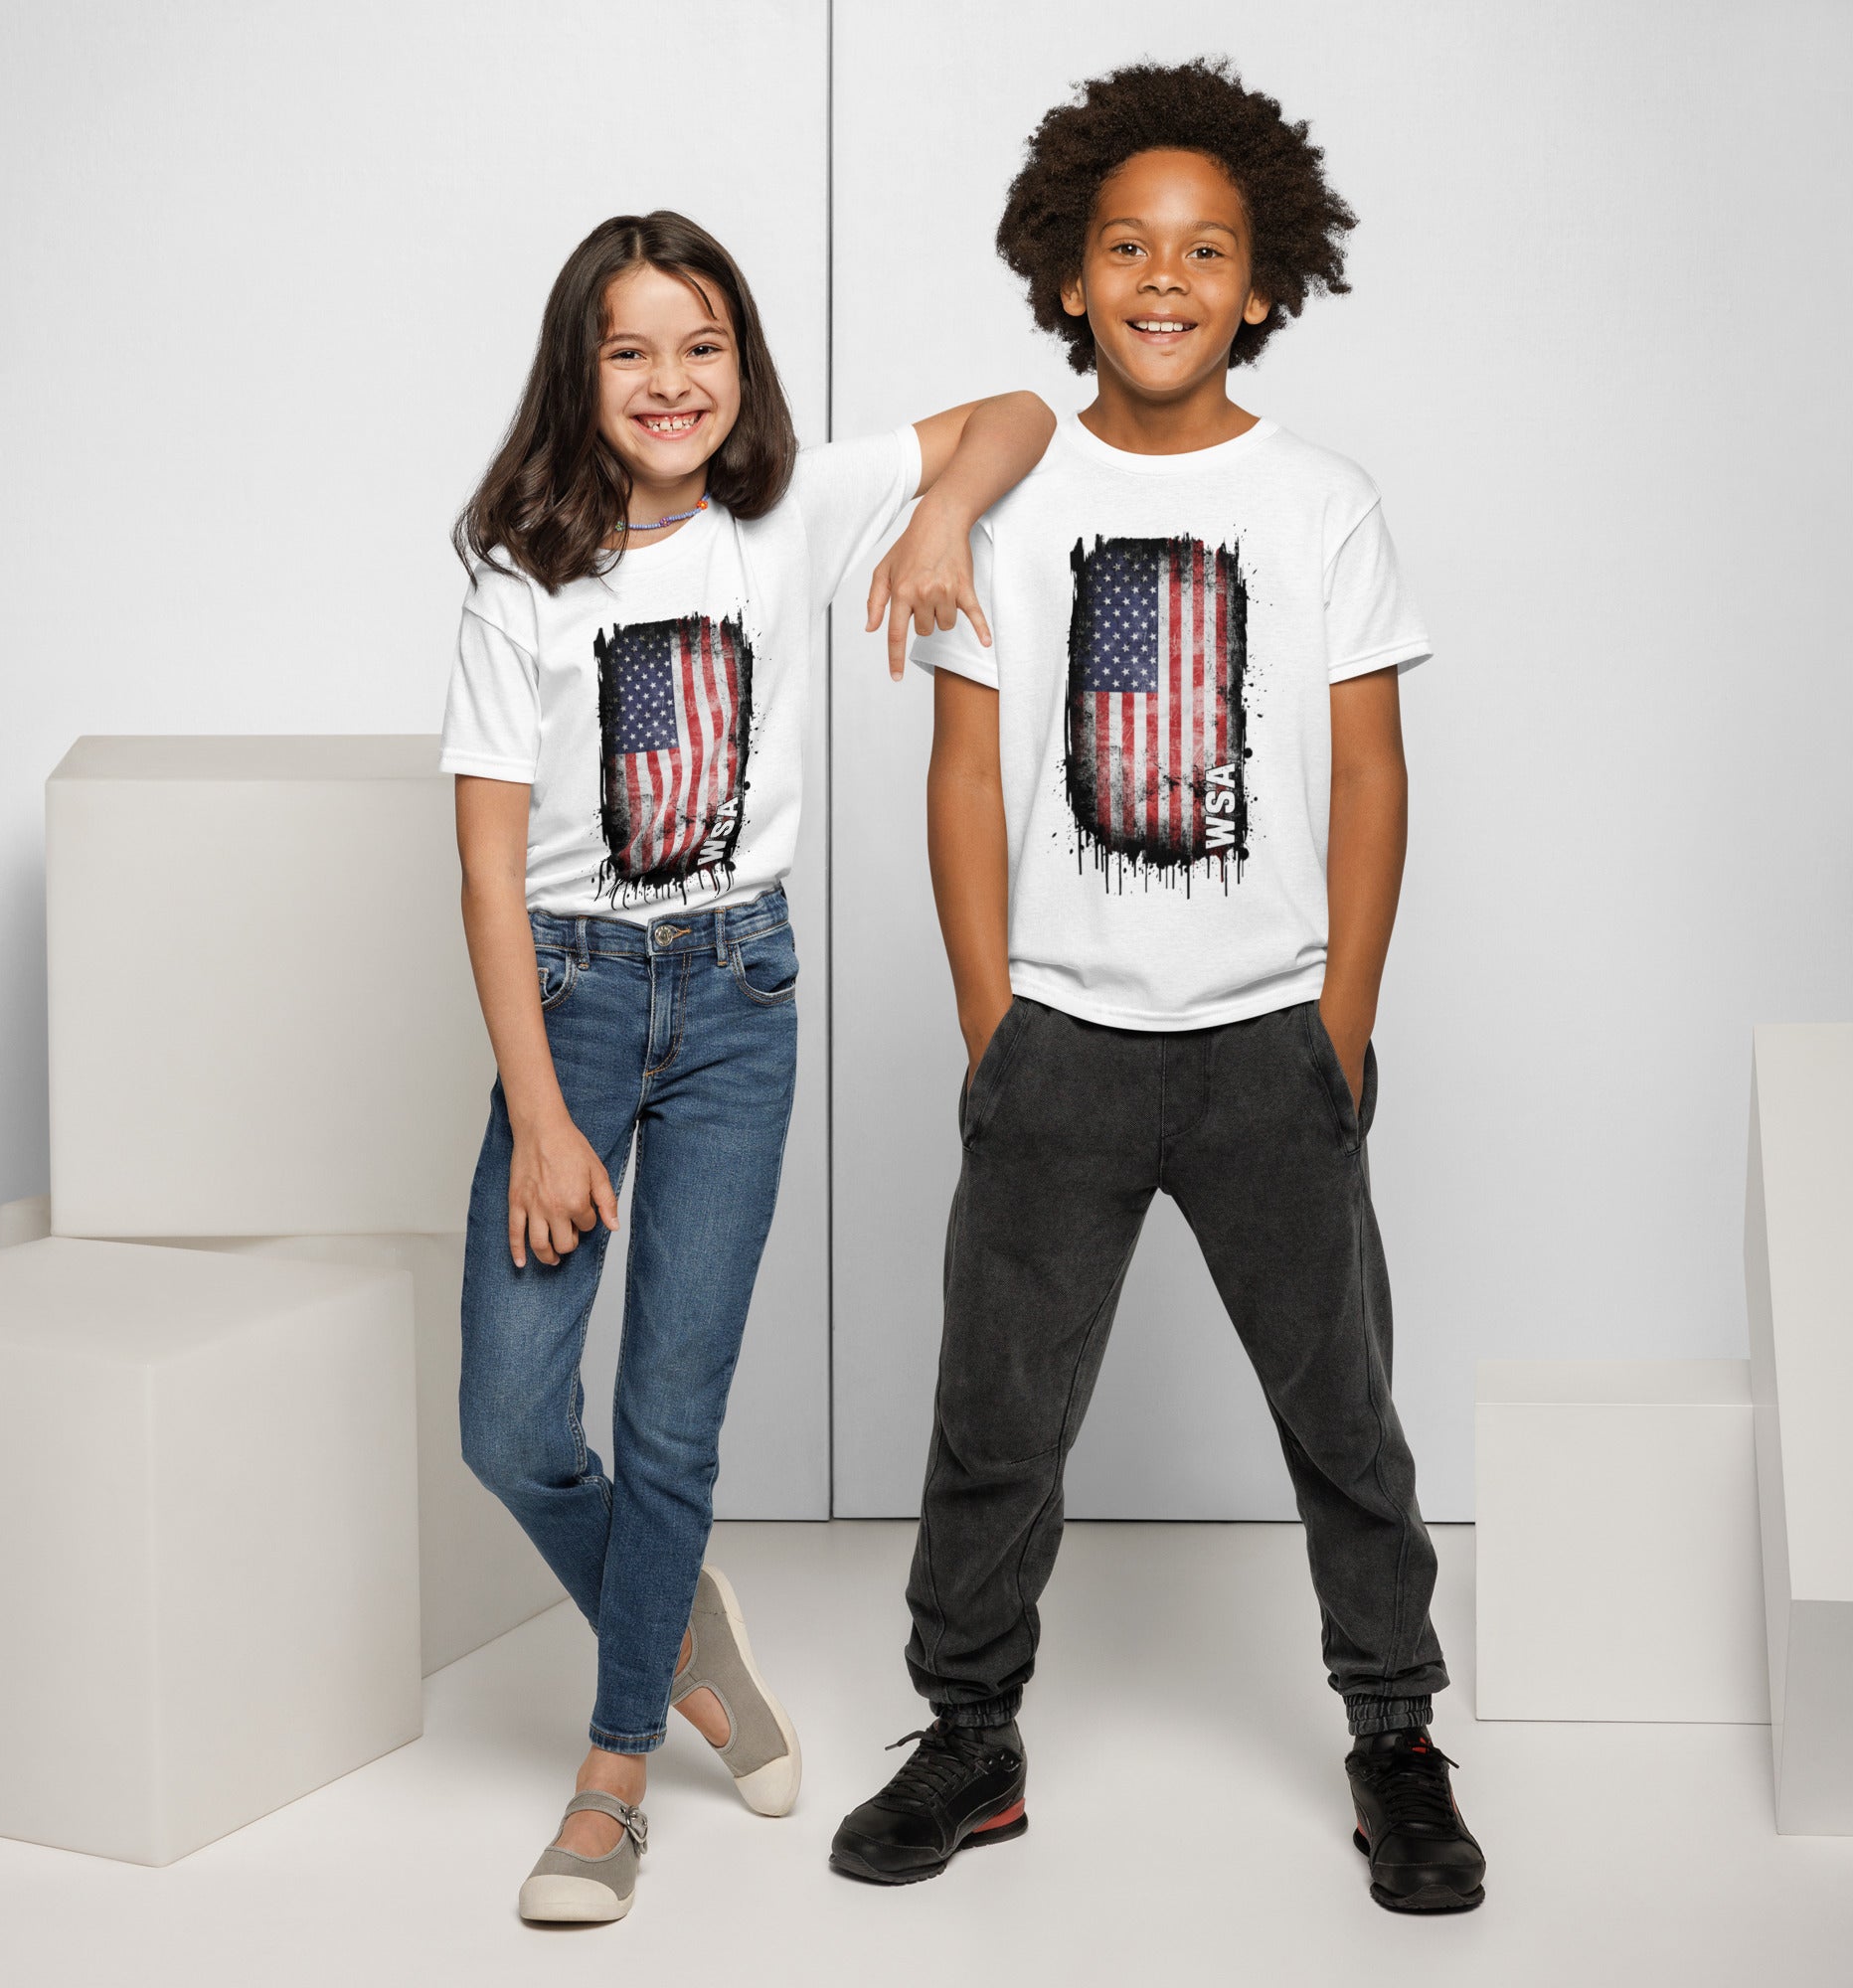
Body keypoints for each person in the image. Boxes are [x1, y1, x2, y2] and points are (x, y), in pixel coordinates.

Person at [829, 62, 1486, 1914]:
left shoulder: (1323, 499)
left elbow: (1372, 773)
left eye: (1207, 250)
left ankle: (1396, 1737)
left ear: (1263, 284)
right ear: (1069, 275)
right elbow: (966, 772)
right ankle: (970, 1736)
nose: (1166, 278)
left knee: (1344, 1416)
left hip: (1272, 1040)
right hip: (1064, 1044)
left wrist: (1340, 1024)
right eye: (1127, 247)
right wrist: (994, 1020)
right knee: (996, 1418)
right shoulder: (1006, 500)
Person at [442, 209, 1052, 1925]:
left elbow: (1020, 414)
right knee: (510, 1418)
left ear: (742, 362)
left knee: (670, 1416)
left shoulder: (787, 509)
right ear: (579, 372)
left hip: (736, 998)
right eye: (631, 349)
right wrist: (541, 1115)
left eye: (701, 345)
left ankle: (614, 1779)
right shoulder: (521, 570)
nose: (671, 381)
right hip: (568, 997)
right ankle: (677, 1621)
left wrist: (937, 511)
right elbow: (486, 865)